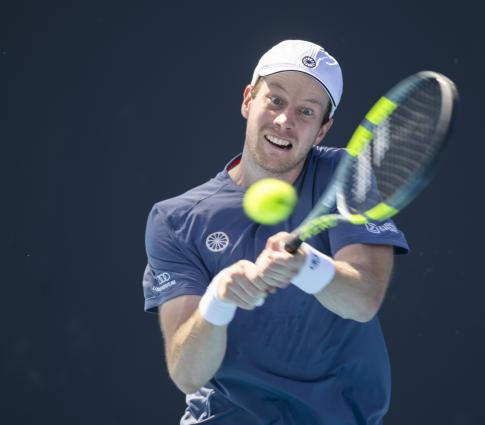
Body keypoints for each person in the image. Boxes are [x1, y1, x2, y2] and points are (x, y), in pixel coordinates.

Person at [142, 39, 409, 425]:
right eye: (276, 100)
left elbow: (364, 298)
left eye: (306, 112)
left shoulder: (345, 175)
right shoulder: (176, 219)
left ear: (321, 130)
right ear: (249, 100)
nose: (285, 121)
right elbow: (188, 374)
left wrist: (306, 266)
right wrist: (218, 300)